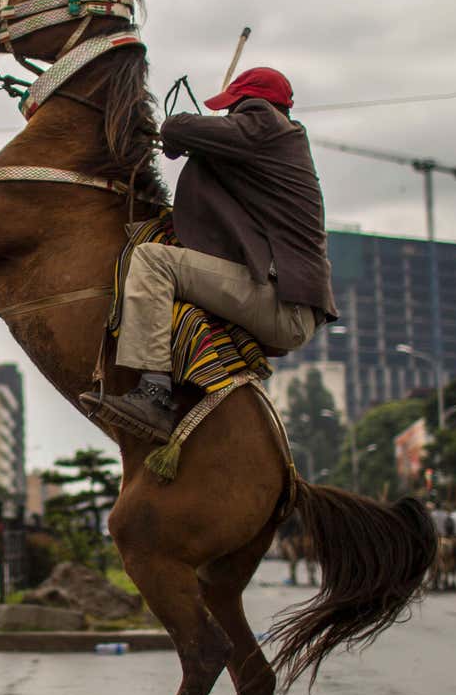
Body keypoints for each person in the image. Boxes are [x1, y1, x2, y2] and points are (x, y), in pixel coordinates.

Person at [85, 67, 338, 440]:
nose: (230, 116)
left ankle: (154, 393)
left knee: (154, 260)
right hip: (289, 303)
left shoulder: (266, 125)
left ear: (248, 105)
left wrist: (186, 133)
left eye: (231, 109)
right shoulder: (269, 144)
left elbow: (176, 129)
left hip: (285, 306)